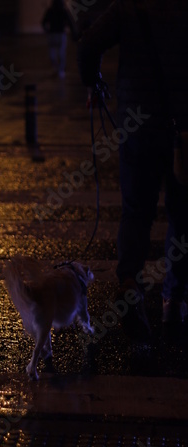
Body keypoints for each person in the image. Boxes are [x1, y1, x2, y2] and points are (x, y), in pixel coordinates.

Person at [77, 0, 188, 340]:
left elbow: (88, 43)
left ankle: (130, 285)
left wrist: (94, 82)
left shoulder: (129, 7)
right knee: (182, 215)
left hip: (138, 125)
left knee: (136, 212)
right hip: (183, 130)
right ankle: (174, 300)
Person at [42, 0, 74, 78]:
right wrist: (74, 34)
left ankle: (54, 68)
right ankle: (61, 70)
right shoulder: (64, 11)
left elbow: (43, 22)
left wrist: (47, 31)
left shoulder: (50, 11)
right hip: (61, 34)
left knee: (52, 52)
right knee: (61, 52)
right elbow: (70, 23)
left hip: (52, 34)